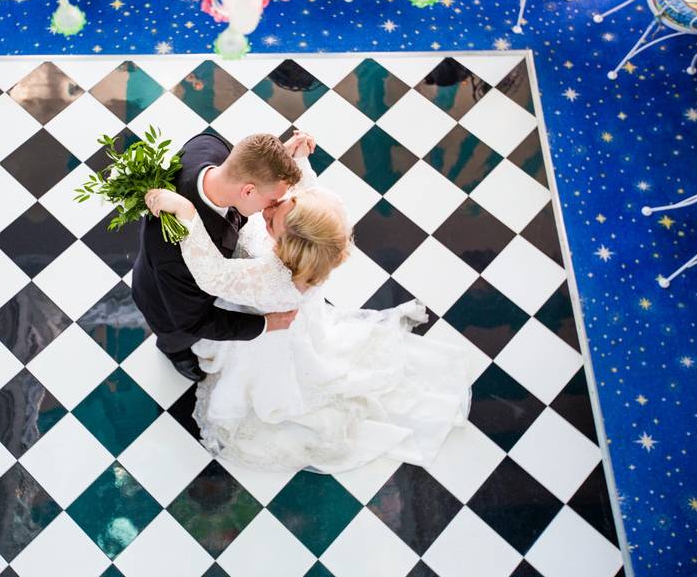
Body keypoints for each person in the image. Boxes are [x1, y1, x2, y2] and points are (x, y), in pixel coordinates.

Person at [143, 131, 473, 474]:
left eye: (271, 221)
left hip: (272, 329)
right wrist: (293, 160)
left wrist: (187, 212)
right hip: (296, 312)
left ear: (287, 249)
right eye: (277, 202)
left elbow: (214, 275)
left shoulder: (276, 277)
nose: (268, 210)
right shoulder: (322, 220)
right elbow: (302, 192)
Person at [131, 132, 303, 382]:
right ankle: (174, 354)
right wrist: (266, 324)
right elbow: (194, 322)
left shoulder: (209, 146)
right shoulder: (175, 253)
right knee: (176, 337)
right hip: (166, 304)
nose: (271, 208)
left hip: (180, 279)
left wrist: (281, 157)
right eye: (273, 199)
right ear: (248, 191)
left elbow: (250, 165)